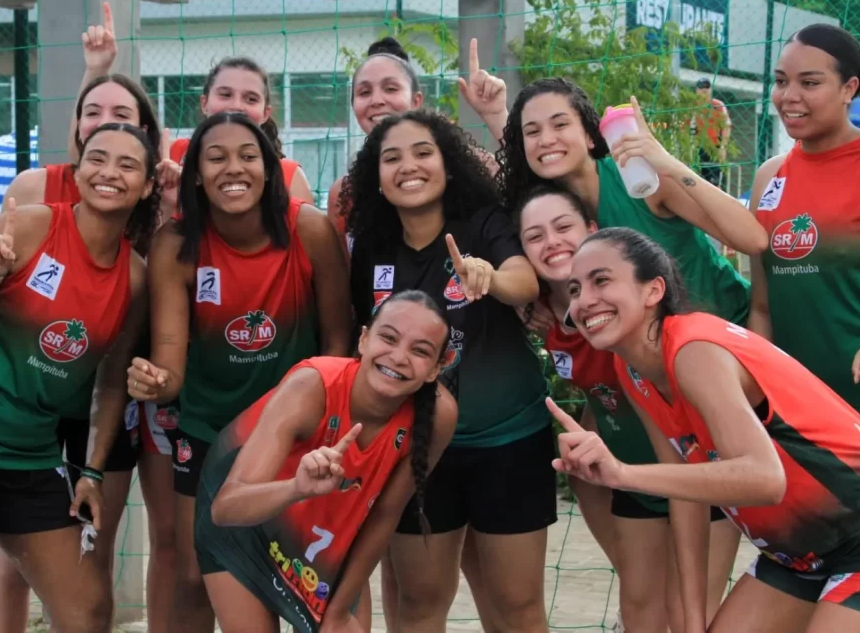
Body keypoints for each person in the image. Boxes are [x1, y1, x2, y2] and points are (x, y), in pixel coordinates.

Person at [554, 225, 860, 632]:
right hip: (800, 553)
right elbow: (685, 491)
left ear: (653, 291)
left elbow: (765, 479)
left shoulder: (694, 352)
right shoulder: (633, 368)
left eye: (601, 280)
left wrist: (622, 474)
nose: (585, 300)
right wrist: (692, 620)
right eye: (574, 289)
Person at [0, 122, 157, 633]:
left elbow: (108, 383)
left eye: (128, 165)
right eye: (97, 158)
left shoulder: (136, 277)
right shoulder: (29, 227)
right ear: (77, 170)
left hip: (29, 451)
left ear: (148, 185)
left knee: (88, 612)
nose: (109, 172)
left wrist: (94, 472)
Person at [127, 110, 351, 632]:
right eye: (217, 157)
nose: (235, 168)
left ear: (270, 169)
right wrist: (156, 382)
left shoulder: (310, 229)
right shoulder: (176, 245)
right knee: (193, 574)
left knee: (304, 573)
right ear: (197, 176)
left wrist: (329, 423)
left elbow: (339, 341)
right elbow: (171, 365)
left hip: (296, 433)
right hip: (210, 433)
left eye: (248, 156)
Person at [341, 109, 553, 632]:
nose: (407, 166)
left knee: (516, 606)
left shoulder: (482, 223)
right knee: (418, 604)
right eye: (391, 158)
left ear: (449, 165)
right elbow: (360, 340)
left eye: (422, 153)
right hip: (418, 447)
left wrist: (491, 279)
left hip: (509, 440)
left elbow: (525, 281)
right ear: (378, 181)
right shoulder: (373, 246)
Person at [0, 70, 176, 633]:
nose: (108, 122)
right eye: (93, 112)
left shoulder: (155, 205)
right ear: (76, 129)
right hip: (35, 400)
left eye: (125, 116)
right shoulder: (34, 190)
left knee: (92, 545)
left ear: (147, 141)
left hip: (114, 394)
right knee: (15, 557)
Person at [516, 184, 740, 632]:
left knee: (687, 611)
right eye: (534, 236)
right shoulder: (543, 311)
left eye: (564, 227)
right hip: (633, 479)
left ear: (593, 232)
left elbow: (677, 448)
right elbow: (603, 398)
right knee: (640, 608)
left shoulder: (649, 330)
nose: (552, 241)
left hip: (699, 472)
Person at [193, 290, 458, 633]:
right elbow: (225, 508)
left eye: (420, 350)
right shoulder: (311, 385)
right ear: (363, 339)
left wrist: (335, 615)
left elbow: (383, 516)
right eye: (388, 338)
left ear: (438, 366)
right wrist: (296, 488)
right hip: (244, 527)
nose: (398, 357)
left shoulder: (438, 415)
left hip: (328, 535)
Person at [749, 23, 860, 459]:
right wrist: (758, 391)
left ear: (849, 88)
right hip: (803, 411)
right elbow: (763, 308)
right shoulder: (768, 177)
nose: (789, 96)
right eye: (781, 81)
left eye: (810, 83)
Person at [496, 78, 766, 333]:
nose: (545, 140)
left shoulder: (640, 178)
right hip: (656, 363)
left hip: (735, 330)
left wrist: (667, 163)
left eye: (560, 125)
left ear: (590, 136)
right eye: (532, 132)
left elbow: (753, 239)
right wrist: (526, 296)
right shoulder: (548, 215)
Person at [327, 36, 507, 262]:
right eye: (364, 93)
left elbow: (525, 194)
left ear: (416, 100)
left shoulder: (473, 166)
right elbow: (346, 280)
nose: (376, 100)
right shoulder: (344, 194)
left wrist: (497, 117)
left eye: (391, 88)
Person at [166, 56, 315, 204]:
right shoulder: (169, 156)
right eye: (225, 95)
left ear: (265, 113)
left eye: (251, 99)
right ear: (204, 103)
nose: (236, 106)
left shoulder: (289, 176)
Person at [691, 77, 731, 188]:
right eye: (701, 87)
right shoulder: (692, 107)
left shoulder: (718, 105)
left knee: (714, 183)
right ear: (696, 90)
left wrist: (723, 147)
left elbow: (726, 127)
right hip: (696, 148)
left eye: (706, 87)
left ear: (710, 90)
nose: (704, 90)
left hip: (714, 148)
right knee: (694, 182)